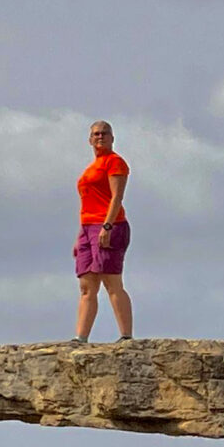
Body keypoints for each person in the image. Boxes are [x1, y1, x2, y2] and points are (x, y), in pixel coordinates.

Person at [72, 120, 133, 342]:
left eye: (104, 133)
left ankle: (126, 336)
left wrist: (107, 226)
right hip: (88, 227)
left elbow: (117, 196)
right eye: (96, 134)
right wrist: (81, 237)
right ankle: (80, 338)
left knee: (111, 281)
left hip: (109, 224)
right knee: (87, 285)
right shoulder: (91, 168)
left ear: (112, 138)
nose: (100, 137)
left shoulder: (114, 162)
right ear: (90, 139)